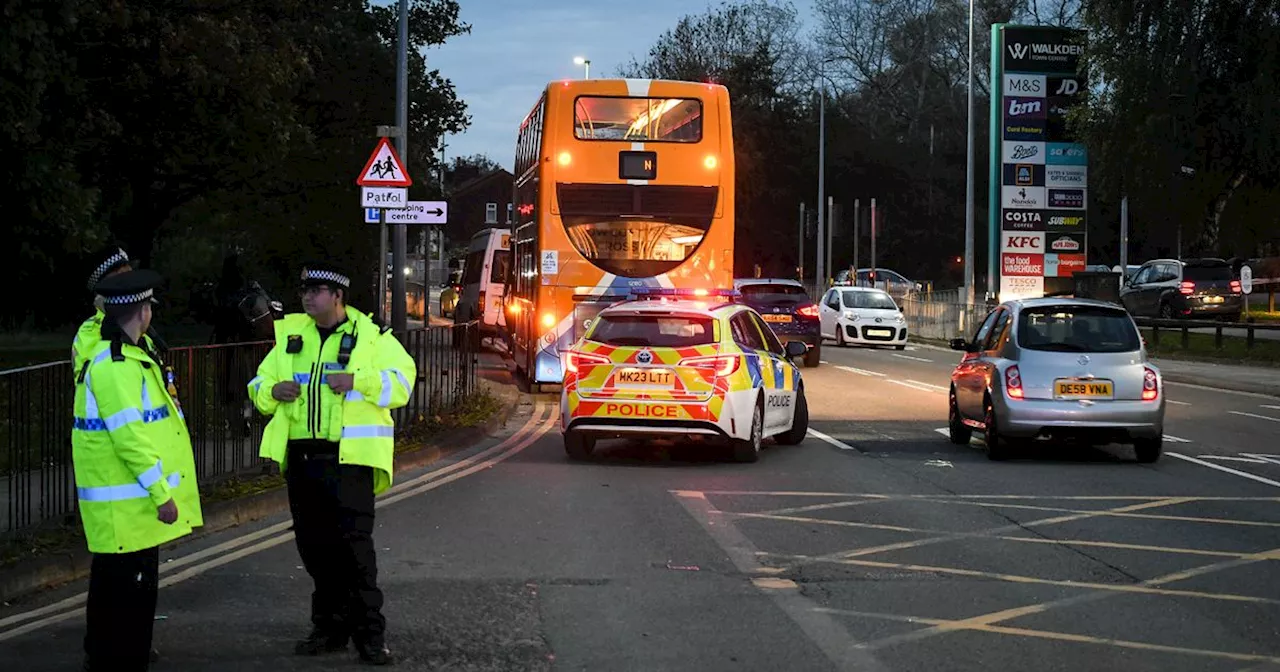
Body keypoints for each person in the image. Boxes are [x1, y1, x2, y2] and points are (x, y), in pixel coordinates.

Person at [248, 262, 416, 666]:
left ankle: (370, 637)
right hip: (304, 461)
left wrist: (359, 382)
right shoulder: (290, 335)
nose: (307, 296)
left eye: (317, 289)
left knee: (356, 553)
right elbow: (257, 386)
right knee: (316, 550)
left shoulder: (372, 338)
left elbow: (404, 383)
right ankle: (329, 629)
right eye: (304, 289)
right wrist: (273, 389)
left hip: (350, 462)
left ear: (338, 295)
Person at [72, 269, 204, 671]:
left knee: (122, 598)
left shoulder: (132, 355)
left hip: (130, 508)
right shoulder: (114, 366)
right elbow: (130, 438)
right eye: (148, 308)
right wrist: (162, 494)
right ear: (141, 311)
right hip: (127, 506)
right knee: (126, 606)